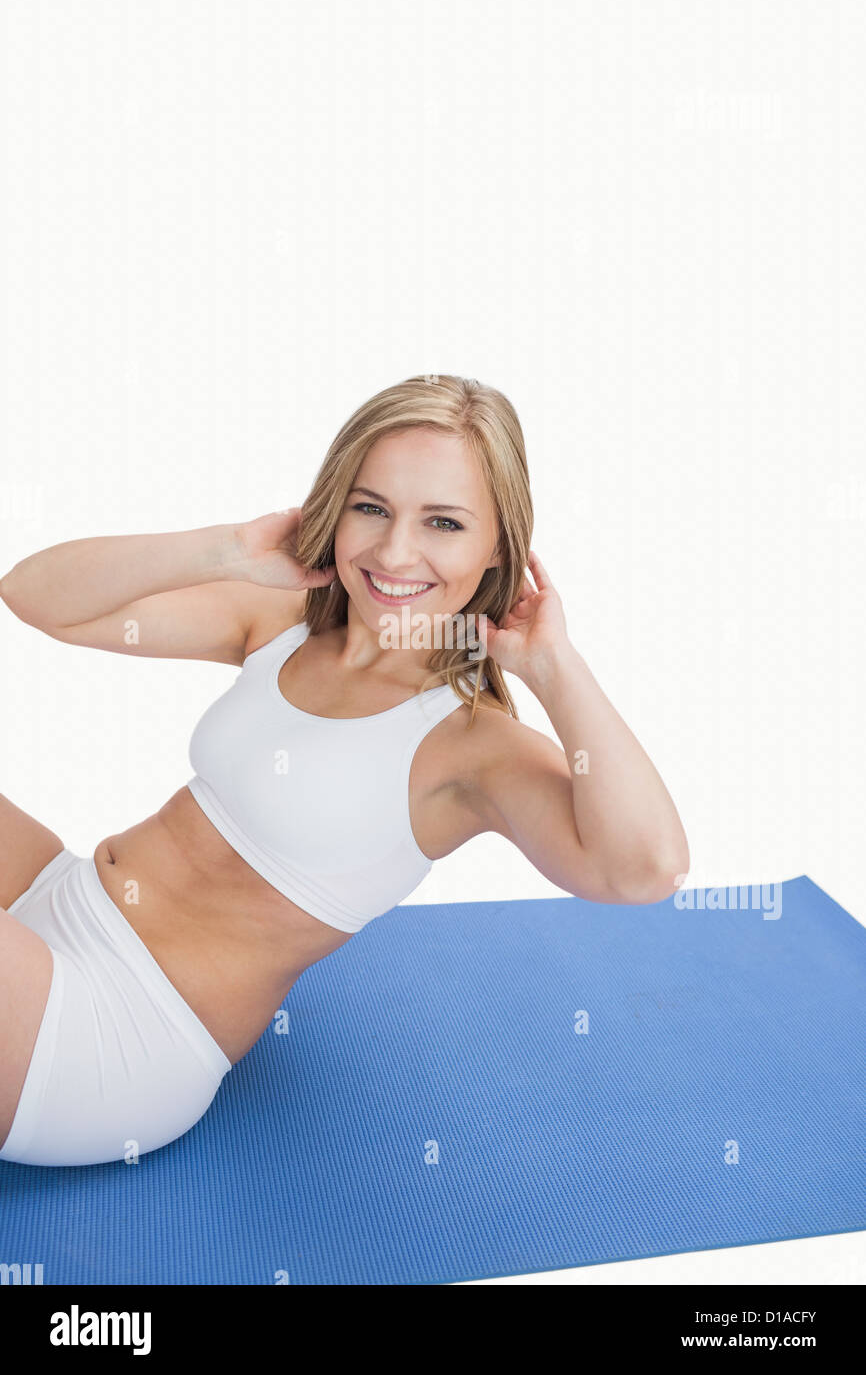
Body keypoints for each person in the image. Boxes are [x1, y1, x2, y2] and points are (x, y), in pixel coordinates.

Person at [0, 374, 689, 1166]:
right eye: (372, 508)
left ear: (500, 545)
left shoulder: (469, 746)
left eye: (444, 522)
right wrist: (227, 549)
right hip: (60, 896)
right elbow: (34, 596)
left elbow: (647, 870)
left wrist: (555, 667)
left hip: (109, 1034)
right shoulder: (281, 622)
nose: (395, 552)